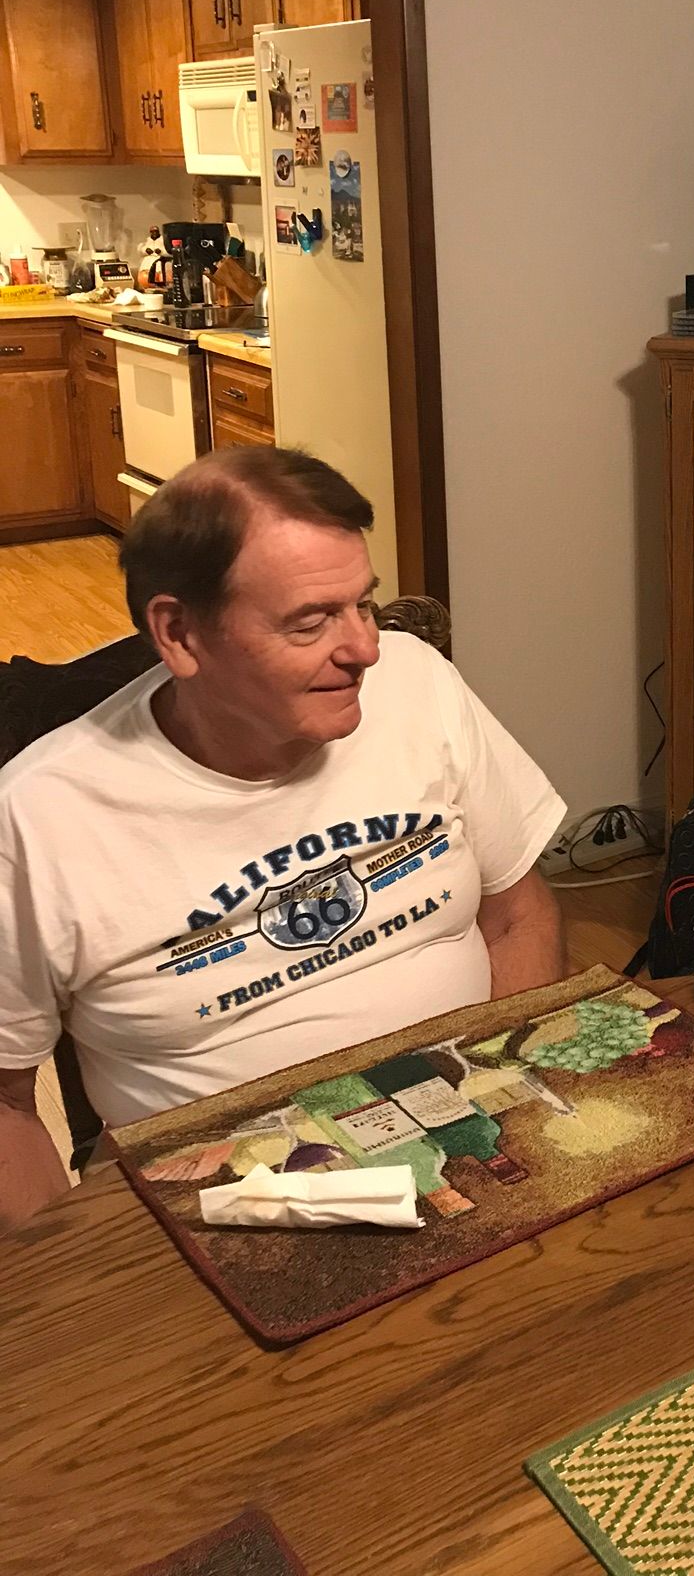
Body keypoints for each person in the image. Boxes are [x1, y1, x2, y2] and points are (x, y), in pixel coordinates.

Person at [0, 448, 567, 1231]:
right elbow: (6, 1102)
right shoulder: (38, 816)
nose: (366, 648)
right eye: (311, 622)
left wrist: (505, 1103)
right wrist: (68, 1272)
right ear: (179, 633)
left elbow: (518, 916)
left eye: (363, 604)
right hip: (225, 1212)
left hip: (468, 1141)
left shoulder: (417, 683)